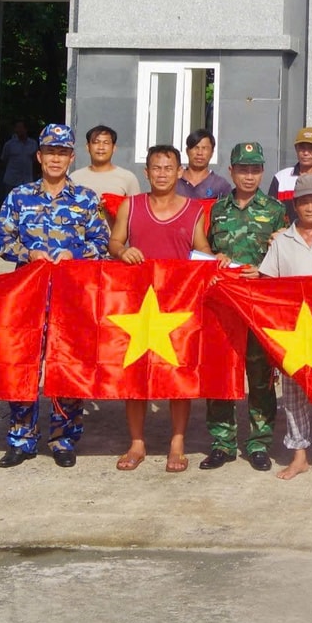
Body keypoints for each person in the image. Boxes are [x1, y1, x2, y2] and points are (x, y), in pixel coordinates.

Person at [0, 123, 110, 469]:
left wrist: (75, 255)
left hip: (71, 298)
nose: (56, 159)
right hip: (27, 297)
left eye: (63, 152)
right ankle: (22, 438)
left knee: (66, 364)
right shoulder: (18, 196)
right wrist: (28, 254)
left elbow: (101, 244)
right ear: (39, 156)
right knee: (22, 364)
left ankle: (63, 438)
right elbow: (1, 240)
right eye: (50, 152)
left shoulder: (87, 199)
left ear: (71, 157)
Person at [106, 143, 213, 473]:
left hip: (178, 305)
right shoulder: (131, 205)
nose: (163, 173)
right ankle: (137, 441)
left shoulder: (194, 210)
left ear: (180, 172)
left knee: (177, 374)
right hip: (137, 305)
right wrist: (122, 252)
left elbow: (202, 252)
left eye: (169, 167)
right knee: (134, 372)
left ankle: (177, 441)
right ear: (146, 172)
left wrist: (216, 262)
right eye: (156, 167)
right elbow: (114, 241)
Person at [240, 175, 312, 480]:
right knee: (293, 394)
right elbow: (267, 287)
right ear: (295, 205)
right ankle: (299, 455)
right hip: (292, 331)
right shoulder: (282, 241)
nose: (311, 207)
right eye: (304, 201)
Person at [205, 140, 289, 471]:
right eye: (243, 169)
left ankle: (259, 443)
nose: (249, 176)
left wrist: (267, 266)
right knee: (222, 372)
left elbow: (285, 255)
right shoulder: (216, 210)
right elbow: (203, 251)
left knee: (260, 377)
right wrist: (215, 258)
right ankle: (221, 443)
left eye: (255, 170)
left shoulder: (276, 210)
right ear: (231, 171)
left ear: (262, 172)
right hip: (224, 306)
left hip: (259, 305)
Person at [69, 124, 142, 199]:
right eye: (96, 142)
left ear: (114, 148)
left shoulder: (128, 178)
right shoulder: (74, 178)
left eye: (106, 143)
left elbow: (135, 208)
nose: (101, 147)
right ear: (88, 147)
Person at [177, 129, 234, 200]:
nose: (200, 153)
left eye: (204, 148)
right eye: (196, 148)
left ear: (212, 152)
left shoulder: (220, 185)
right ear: (187, 151)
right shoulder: (175, 181)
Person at [0, 120, 37, 201]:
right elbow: (4, 160)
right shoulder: (9, 144)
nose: (18, 130)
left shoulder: (33, 144)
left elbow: (35, 161)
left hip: (27, 180)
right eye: (17, 128)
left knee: (26, 201)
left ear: (26, 129)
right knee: (10, 201)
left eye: (20, 128)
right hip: (11, 180)